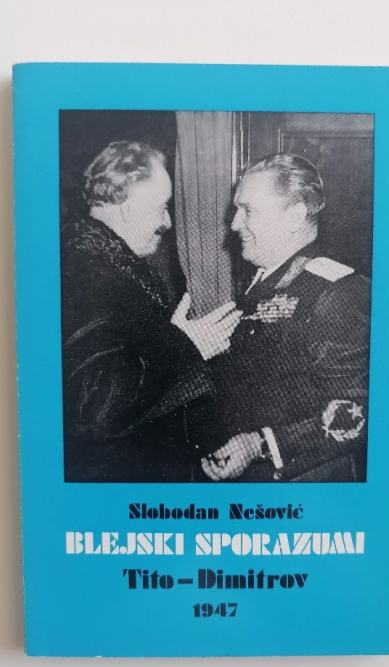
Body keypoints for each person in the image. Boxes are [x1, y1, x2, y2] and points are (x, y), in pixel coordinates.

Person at [61, 141, 241, 482]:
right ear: (128, 209)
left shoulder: (113, 262)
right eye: (161, 208)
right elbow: (92, 406)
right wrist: (185, 345)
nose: (168, 222)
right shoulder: (84, 273)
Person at [201, 153, 371, 482]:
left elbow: (358, 410)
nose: (234, 224)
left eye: (248, 210)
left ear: (294, 217)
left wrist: (263, 444)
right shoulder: (262, 281)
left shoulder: (335, 293)